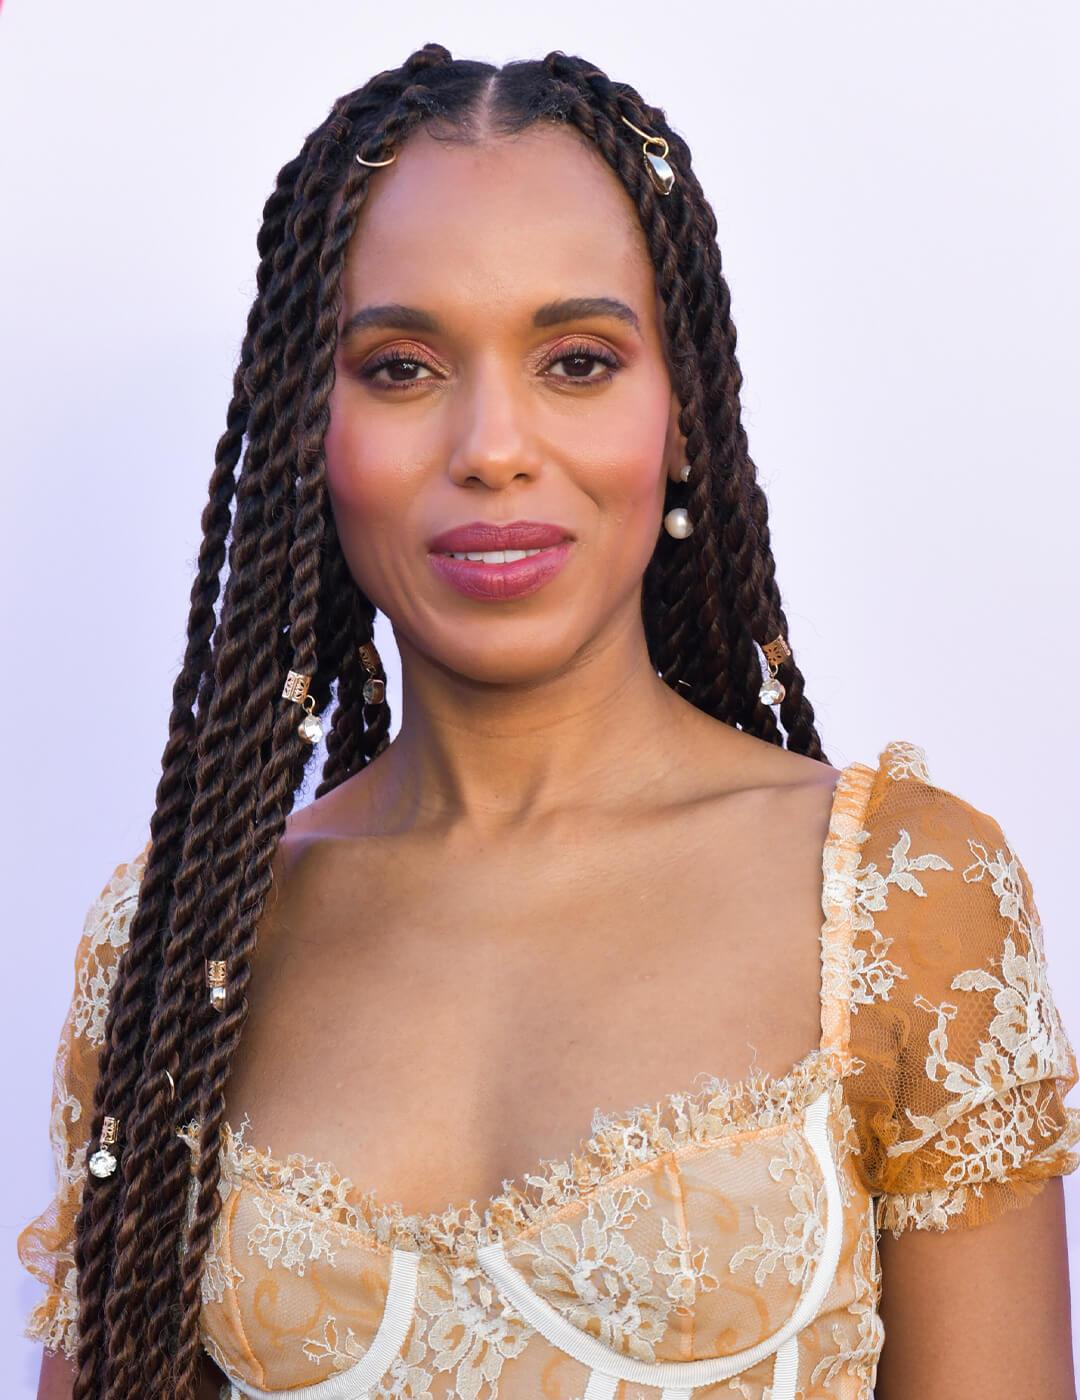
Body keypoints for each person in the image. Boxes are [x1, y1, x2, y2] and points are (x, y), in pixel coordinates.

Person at [19, 43, 1079, 1400]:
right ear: (307, 429)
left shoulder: (896, 902)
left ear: (682, 413)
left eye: (578, 361)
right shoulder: (177, 957)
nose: (495, 444)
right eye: (402, 367)